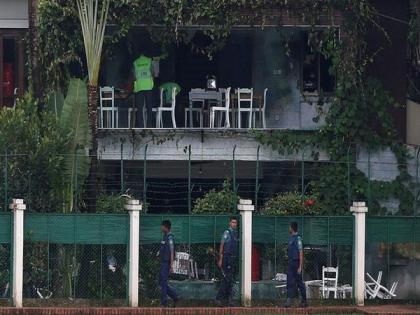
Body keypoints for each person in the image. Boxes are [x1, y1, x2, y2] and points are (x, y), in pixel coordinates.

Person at [215, 216, 238, 307]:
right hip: (226, 258)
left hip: (232, 258)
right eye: (232, 222)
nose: (234, 224)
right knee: (226, 279)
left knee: (230, 280)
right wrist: (220, 259)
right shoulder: (227, 232)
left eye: (235, 223)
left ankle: (229, 300)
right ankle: (218, 298)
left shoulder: (235, 234)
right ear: (229, 223)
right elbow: (222, 245)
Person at [284, 222, 307, 308]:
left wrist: (300, 266)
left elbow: (301, 252)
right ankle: (288, 300)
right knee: (289, 281)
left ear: (292, 228)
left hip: (296, 263)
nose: (288, 228)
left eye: (289, 227)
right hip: (291, 262)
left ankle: (304, 300)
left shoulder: (298, 239)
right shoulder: (290, 238)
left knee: (299, 282)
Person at [159, 220, 179, 307]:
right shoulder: (164, 236)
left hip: (167, 263)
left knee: (163, 282)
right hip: (163, 262)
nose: (161, 228)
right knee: (161, 282)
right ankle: (175, 296)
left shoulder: (170, 237)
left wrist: (171, 265)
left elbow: (171, 251)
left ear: (166, 227)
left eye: (162, 226)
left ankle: (164, 303)